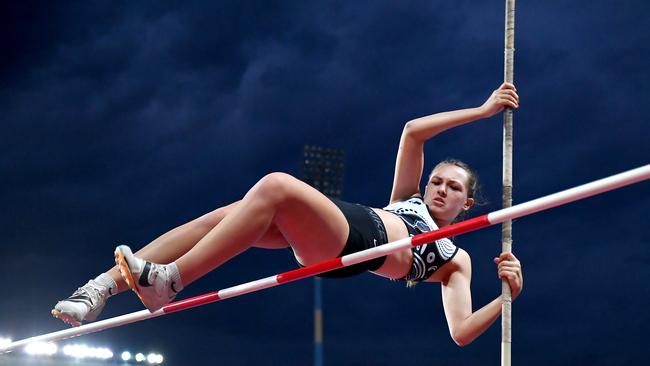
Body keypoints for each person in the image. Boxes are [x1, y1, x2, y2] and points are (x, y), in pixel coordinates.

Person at [52, 83, 523, 346]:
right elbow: (413, 132)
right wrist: (481, 112)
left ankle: (169, 281)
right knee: (225, 215)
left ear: (469, 202)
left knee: (277, 185)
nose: (441, 189)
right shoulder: (409, 197)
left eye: (453, 187)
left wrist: (506, 297)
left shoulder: (455, 258)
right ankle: (102, 287)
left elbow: (460, 333)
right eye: (438, 180)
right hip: (347, 221)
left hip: (361, 246)